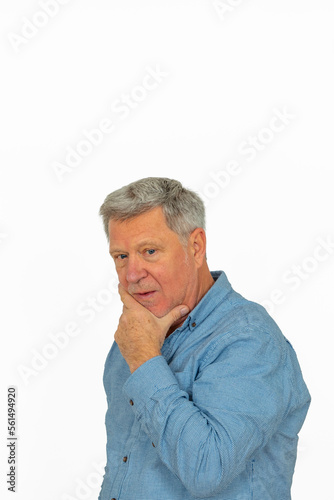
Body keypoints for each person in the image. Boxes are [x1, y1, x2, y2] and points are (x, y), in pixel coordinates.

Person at [97, 177, 310, 500]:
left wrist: (143, 358)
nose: (132, 274)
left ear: (195, 247)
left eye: (149, 251)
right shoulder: (135, 335)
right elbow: (124, 465)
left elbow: (207, 469)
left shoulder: (251, 340)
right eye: (121, 256)